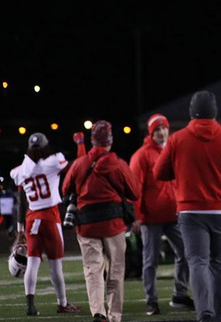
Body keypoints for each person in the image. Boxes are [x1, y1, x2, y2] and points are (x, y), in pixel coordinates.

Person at [155, 91, 221, 322]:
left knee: (198, 262)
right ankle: (219, 316)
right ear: (214, 111)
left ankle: (205, 314)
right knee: (219, 265)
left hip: (190, 210)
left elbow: (159, 172)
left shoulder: (177, 139)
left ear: (192, 112)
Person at [62, 121, 138, 322]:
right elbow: (135, 192)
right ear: (110, 141)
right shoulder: (118, 164)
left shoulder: (80, 163)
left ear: (92, 140)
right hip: (113, 224)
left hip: (86, 225)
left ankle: (98, 312)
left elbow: (65, 188)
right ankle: (114, 316)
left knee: (93, 270)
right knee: (115, 271)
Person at [10, 132, 81, 316]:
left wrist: (19, 228)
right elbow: (78, 165)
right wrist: (80, 144)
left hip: (31, 219)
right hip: (49, 216)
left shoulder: (21, 170)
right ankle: (62, 303)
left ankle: (30, 305)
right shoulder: (52, 162)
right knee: (55, 265)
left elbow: (21, 200)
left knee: (32, 263)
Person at [130, 114, 193, 315]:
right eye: (157, 129)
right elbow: (135, 189)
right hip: (151, 217)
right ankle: (151, 300)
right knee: (150, 260)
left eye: (164, 128)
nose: (161, 132)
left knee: (186, 253)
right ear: (151, 133)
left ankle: (180, 294)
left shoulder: (173, 151)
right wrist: (137, 216)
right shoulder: (142, 155)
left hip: (174, 214)